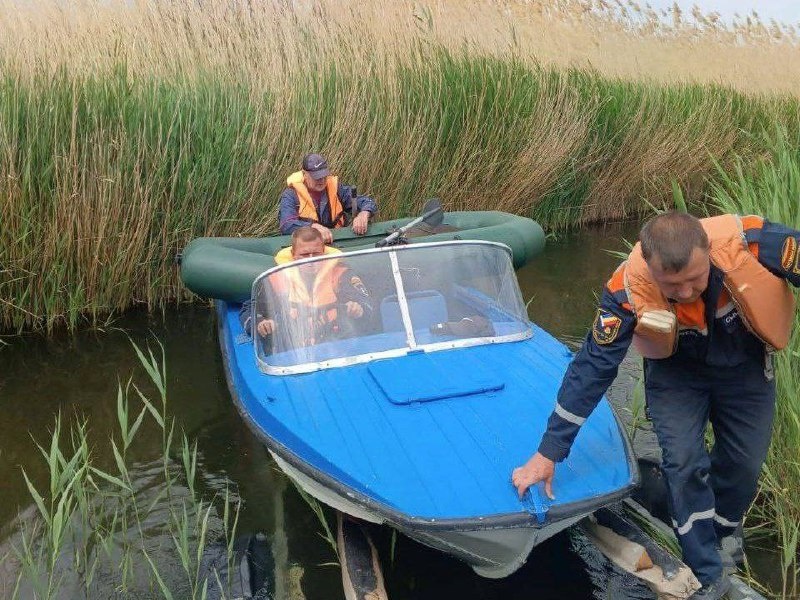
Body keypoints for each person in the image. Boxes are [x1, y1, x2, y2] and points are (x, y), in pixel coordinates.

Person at [511, 211, 800, 600]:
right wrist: (549, 452)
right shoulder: (626, 289)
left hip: (744, 368)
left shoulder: (750, 242)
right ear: (650, 267)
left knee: (744, 465)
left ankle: (724, 531)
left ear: (707, 251)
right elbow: (591, 370)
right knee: (683, 462)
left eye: (695, 278)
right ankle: (706, 571)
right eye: (672, 285)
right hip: (676, 375)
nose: (686, 292)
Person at [240, 227, 372, 344]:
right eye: (304, 255)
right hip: (293, 348)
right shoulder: (276, 278)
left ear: (323, 252)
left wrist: (358, 308)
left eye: (316, 254)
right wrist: (260, 323)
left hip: (338, 343)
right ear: (293, 255)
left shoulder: (341, 274)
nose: (311, 260)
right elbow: (248, 309)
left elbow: (366, 303)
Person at [278, 152, 377, 242]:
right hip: (308, 244)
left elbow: (367, 201)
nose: (322, 180)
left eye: (323, 175)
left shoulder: (336, 188)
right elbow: (286, 224)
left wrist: (364, 214)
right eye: (317, 177)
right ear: (304, 174)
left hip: (338, 241)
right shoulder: (291, 195)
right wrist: (313, 227)